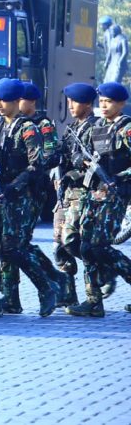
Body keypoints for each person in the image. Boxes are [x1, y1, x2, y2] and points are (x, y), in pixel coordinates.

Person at [0, 78, 58, 317]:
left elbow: (37, 164)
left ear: (17, 101)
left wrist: (14, 186)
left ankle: (47, 286)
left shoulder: (28, 128)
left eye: (5, 100)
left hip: (19, 197)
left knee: (12, 249)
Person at [67, 82, 131, 316]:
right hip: (94, 192)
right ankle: (93, 301)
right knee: (85, 246)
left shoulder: (126, 129)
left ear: (121, 103)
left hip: (115, 194)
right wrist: (80, 162)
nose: (104, 106)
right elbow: (79, 151)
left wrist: (119, 176)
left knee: (99, 247)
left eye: (109, 102)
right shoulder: (97, 127)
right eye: (101, 101)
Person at [9, 82, 71, 310]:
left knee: (19, 243)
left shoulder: (42, 124)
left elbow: (51, 154)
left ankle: (54, 281)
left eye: (20, 99)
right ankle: (11, 297)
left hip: (33, 189)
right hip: (13, 190)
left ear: (31, 101)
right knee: (13, 244)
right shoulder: (11, 124)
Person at [54, 83, 101, 310]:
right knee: (60, 247)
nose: (70, 105)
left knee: (75, 243)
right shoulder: (71, 128)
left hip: (85, 193)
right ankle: (68, 295)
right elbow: (61, 156)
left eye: (75, 101)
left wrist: (75, 172)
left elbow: (100, 164)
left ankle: (95, 296)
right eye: (69, 101)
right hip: (66, 193)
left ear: (87, 104)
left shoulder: (97, 128)